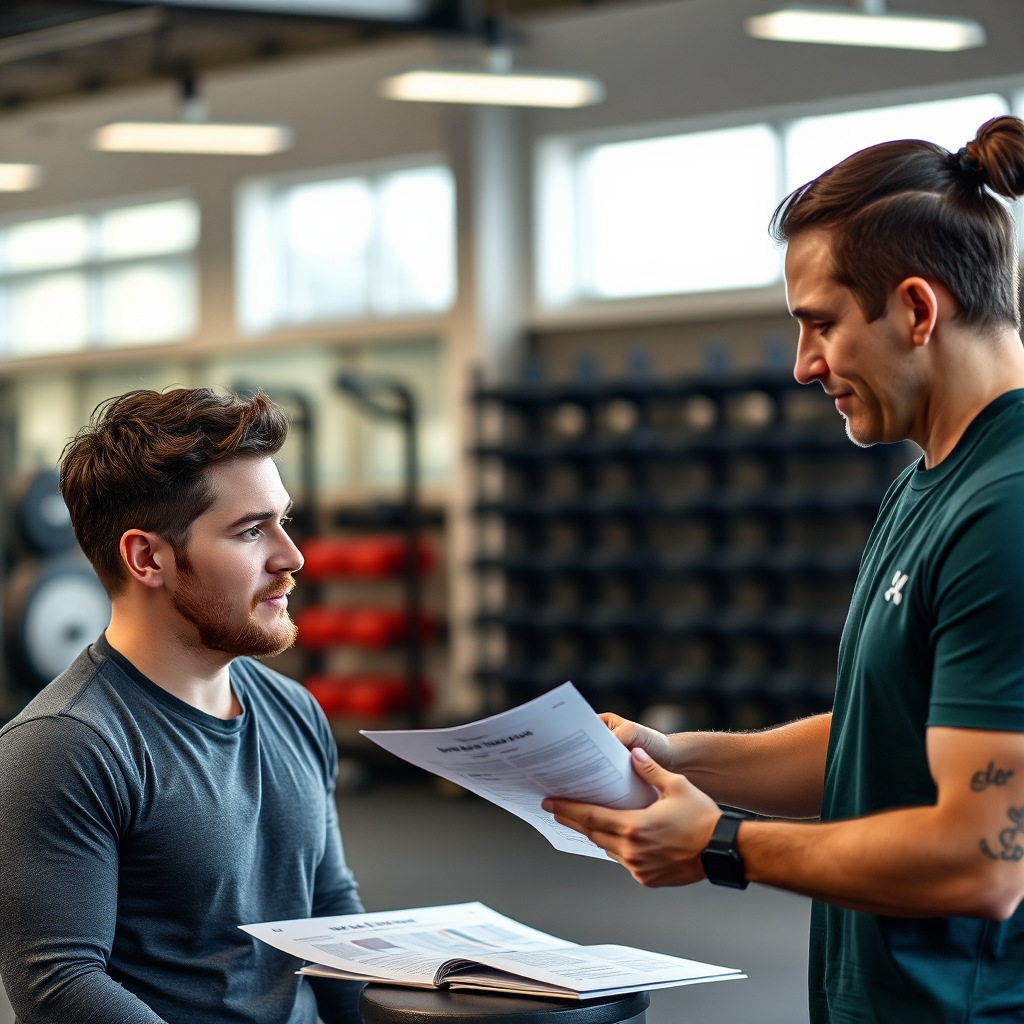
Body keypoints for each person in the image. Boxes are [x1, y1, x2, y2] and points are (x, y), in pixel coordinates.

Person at [544, 115, 1024, 1023]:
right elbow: (883, 731)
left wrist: (722, 844)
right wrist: (677, 756)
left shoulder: (1007, 508)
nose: (805, 365)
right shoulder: (928, 484)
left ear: (917, 310)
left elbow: (985, 861)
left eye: (821, 325)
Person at [0, 389, 364, 1024]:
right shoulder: (63, 746)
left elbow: (329, 913)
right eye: (251, 531)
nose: (292, 556)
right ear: (148, 558)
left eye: (284, 521)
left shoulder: (294, 709)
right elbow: (60, 985)